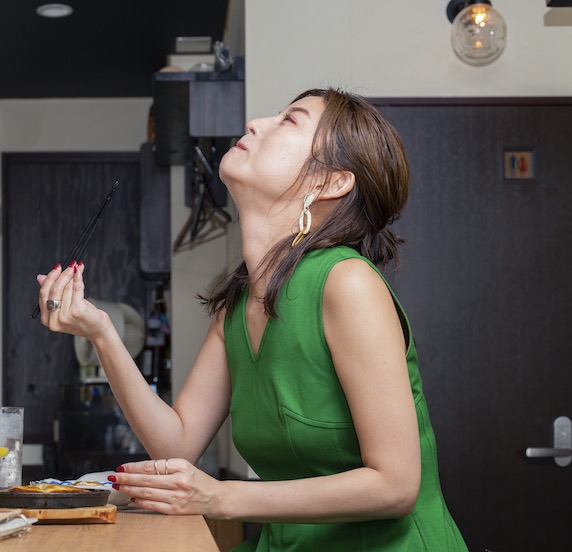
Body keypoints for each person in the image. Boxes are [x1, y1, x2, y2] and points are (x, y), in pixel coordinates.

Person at [37, 88, 467, 551]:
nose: (257, 123)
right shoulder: (237, 307)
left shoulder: (347, 284)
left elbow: (396, 485)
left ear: (329, 182)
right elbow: (177, 445)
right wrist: (101, 331)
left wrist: (220, 497)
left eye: (290, 121)